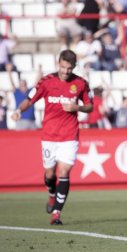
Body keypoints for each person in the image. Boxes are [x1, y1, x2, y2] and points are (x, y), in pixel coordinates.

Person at [11, 50, 93, 225]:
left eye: (69, 68)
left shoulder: (80, 83)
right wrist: (19, 111)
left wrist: (76, 108)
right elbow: (29, 99)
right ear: (58, 64)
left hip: (70, 136)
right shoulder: (46, 82)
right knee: (49, 174)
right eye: (63, 67)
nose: (65, 72)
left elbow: (89, 106)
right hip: (49, 136)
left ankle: (56, 213)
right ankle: (51, 193)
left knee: (64, 172)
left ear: (74, 67)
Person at [6, 63, 42, 130]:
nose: (23, 85)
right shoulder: (17, 92)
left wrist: (40, 70)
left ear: (26, 84)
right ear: (19, 85)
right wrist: (9, 71)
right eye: (22, 84)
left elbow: (37, 82)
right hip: (21, 121)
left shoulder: (30, 92)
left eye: (24, 84)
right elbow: (12, 82)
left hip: (32, 121)